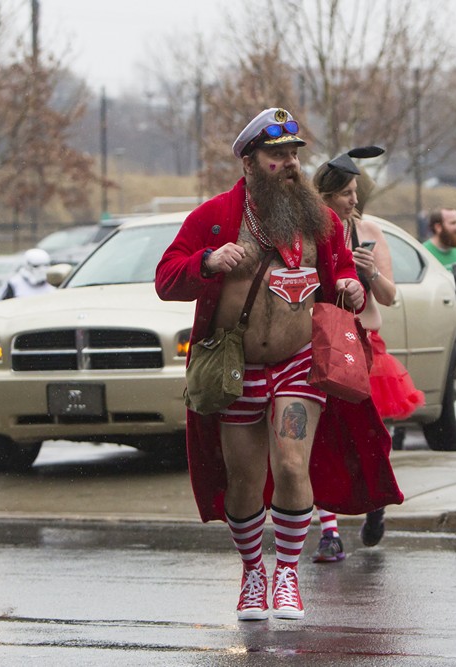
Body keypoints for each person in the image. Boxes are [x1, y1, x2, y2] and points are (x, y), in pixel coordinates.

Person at [155, 108, 403, 622]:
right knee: (244, 480)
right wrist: (207, 261)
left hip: (298, 366)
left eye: (293, 154)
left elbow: (338, 281)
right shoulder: (215, 217)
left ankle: (287, 573)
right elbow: (166, 278)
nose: (289, 163)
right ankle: (253, 574)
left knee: (291, 462)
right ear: (249, 161)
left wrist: (351, 288)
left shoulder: (322, 219)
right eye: (276, 155)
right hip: (235, 369)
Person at [309, 148, 425, 563]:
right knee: (323, 440)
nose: (354, 200)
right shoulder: (310, 234)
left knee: (369, 436)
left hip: (364, 346)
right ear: (326, 196)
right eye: (346, 193)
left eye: (356, 191)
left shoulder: (369, 232)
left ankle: (374, 505)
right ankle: (329, 531)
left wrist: (368, 270)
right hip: (321, 343)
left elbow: (390, 298)